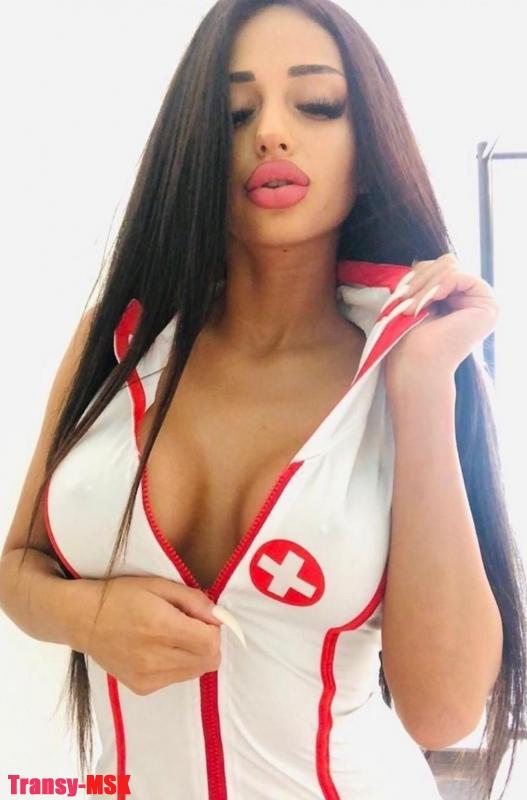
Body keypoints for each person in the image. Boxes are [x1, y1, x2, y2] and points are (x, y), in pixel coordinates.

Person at [0, 2, 525, 799]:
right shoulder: (116, 342)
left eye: (315, 104)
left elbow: (442, 712)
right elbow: (18, 566)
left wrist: (421, 387)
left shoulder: (407, 366)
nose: (272, 133)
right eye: (234, 113)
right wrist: (87, 618)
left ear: (367, 147)